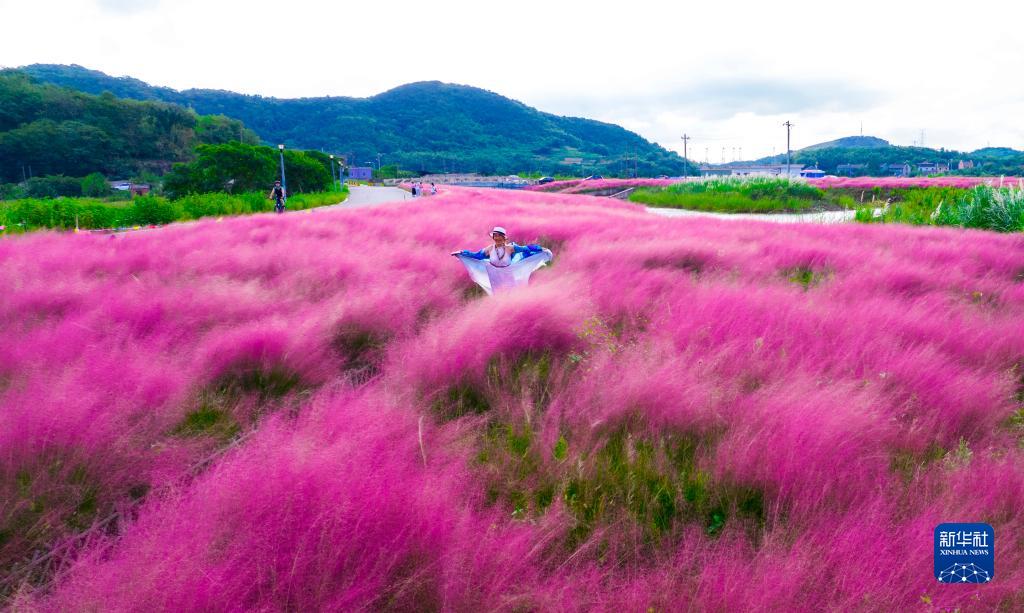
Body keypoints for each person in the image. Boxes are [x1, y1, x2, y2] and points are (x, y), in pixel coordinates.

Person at [451, 226, 552, 295]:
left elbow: (527, 248)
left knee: (511, 294)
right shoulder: (489, 249)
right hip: (494, 277)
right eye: (495, 236)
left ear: (503, 237)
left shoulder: (511, 248)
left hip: (507, 275)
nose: (497, 238)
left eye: (499, 236)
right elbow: (476, 256)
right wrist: (461, 253)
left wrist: (541, 249)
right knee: (498, 295)